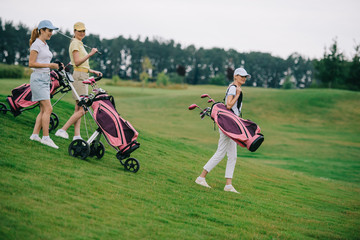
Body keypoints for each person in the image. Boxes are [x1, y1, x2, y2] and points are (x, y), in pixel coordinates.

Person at [195, 67, 251, 194]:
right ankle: (201, 177)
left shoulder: (234, 87)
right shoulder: (233, 88)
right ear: (235, 76)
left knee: (232, 156)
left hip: (231, 124)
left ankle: (228, 185)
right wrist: (237, 94)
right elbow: (229, 105)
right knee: (222, 152)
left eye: (245, 77)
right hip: (228, 125)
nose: (244, 78)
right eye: (241, 76)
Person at [55, 22, 102, 140]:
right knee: (84, 107)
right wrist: (91, 54)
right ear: (74, 31)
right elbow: (77, 62)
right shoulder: (75, 43)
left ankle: (77, 135)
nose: (82, 33)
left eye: (83, 31)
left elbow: (82, 65)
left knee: (79, 108)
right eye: (79, 31)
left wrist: (92, 71)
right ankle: (62, 130)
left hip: (83, 75)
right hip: (80, 77)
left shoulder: (79, 43)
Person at [28, 20, 63, 149]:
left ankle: (35, 135)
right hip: (38, 79)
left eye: (52, 31)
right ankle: (46, 138)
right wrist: (50, 65)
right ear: (42, 30)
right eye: (49, 31)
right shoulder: (36, 44)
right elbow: (31, 63)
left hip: (45, 78)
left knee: (43, 109)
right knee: (48, 109)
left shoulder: (45, 45)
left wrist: (56, 66)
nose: (51, 33)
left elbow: (44, 61)